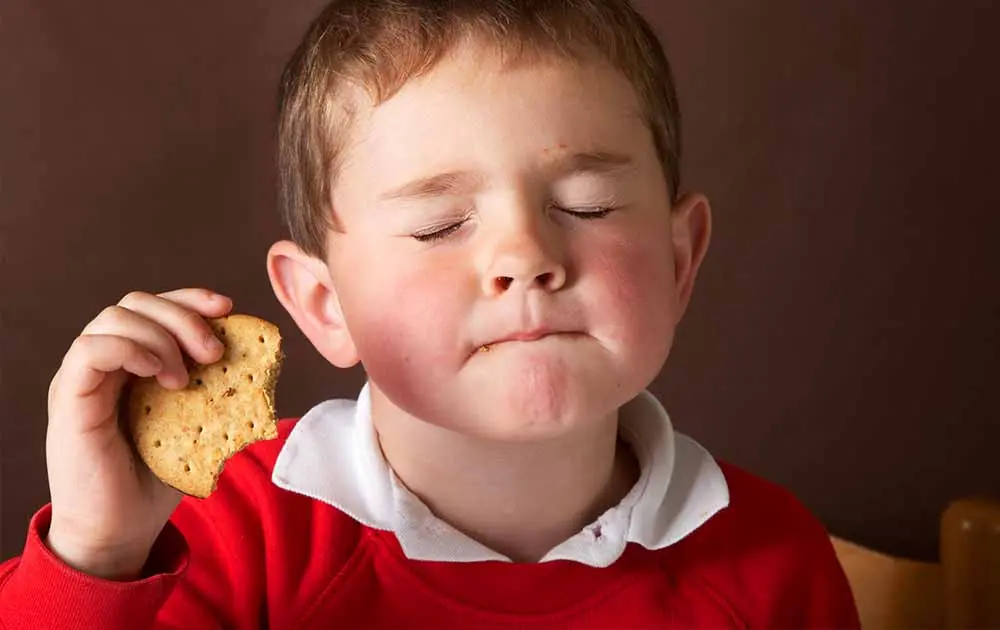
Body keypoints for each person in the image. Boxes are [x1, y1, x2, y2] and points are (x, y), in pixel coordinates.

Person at [0, 1, 859, 627]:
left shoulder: (774, 562)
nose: (524, 255)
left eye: (590, 204)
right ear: (324, 307)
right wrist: (98, 556)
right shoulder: (219, 534)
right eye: (439, 224)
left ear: (679, 261)